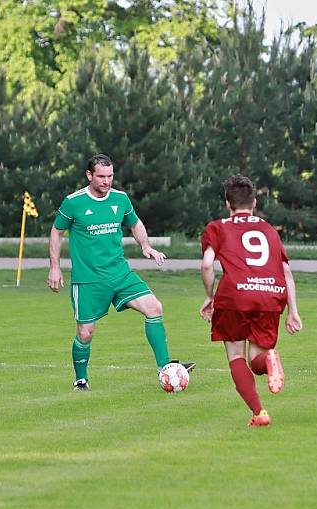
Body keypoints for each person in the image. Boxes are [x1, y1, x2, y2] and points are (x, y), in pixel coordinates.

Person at [48, 153, 195, 391]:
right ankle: (81, 380)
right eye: (101, 176)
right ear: (89, 175)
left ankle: (165, 366)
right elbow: (56, 232)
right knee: (85, 333)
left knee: (154, 307)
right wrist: (55, 267)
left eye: (110, 176)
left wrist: (146, 246)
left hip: (120, 273)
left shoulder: (120, 199)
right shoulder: (73, 202)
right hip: (88, 280)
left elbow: (134, 223)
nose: (107, 181)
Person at [199, 174, 303, 426]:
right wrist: (293, 311)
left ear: (227, 204)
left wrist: (209, 296)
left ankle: (259, 413)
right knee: (257, 360)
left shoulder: (218, 227)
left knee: (236, 356)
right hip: (270, 295)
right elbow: (286, 271)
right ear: (254, 202)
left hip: (234, 296)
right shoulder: (269, 230)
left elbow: (206, 265)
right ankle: (269, 360)